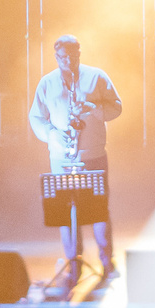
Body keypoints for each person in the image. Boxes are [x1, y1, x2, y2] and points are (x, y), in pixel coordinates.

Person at [28, 33, 124, 294]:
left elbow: (117, 107)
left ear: (79, 54)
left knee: (99, 209)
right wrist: (50, 134)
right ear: (56, 57)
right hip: (62, 156)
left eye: (72, 55)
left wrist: (94, 107)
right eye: (62, 57)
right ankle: (74, 265)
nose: (68, 61)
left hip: (92, 154)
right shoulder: (47, 83)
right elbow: (36, 117)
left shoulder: (96, 77)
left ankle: (107, 263)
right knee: (65, 210)